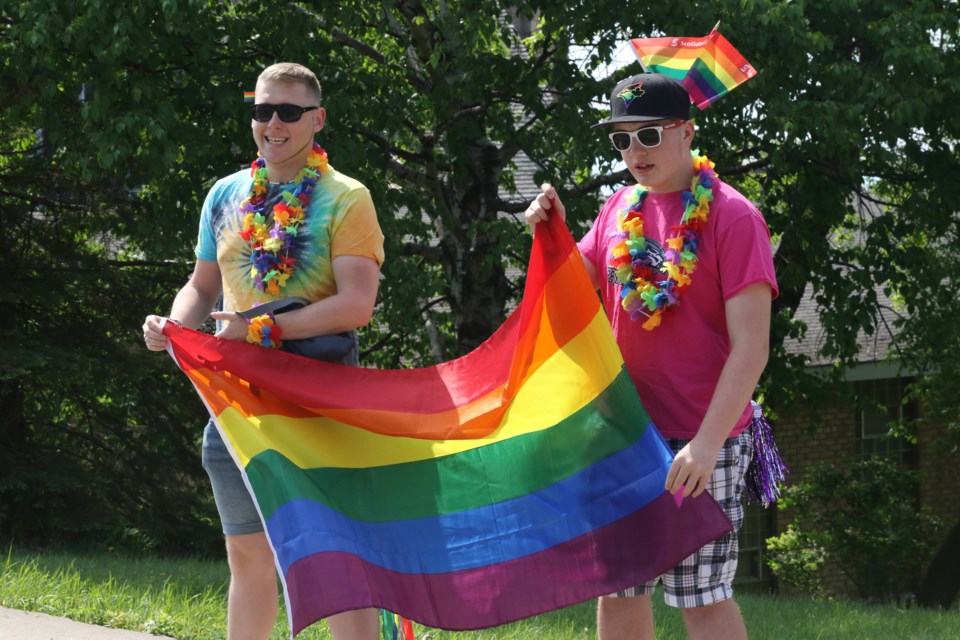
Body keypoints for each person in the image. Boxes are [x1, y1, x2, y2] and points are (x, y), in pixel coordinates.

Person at [524, 73, 778, 640]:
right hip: (623, 433)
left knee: (702, 596)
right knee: (618, 590)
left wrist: (707, 446)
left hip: (702, 436)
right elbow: (572, 287)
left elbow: (752, 346)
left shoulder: (734, 217)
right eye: (622, 139)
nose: (635, 151)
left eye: (650, 135)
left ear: (687, 131)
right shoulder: (618, 207)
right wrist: (551, 232)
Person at [142, 62, 383, 640]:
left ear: (316, 119)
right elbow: (202, 286)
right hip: (235, 406)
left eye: (289, 111)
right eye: (262, 110)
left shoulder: (346, 197)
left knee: (338, 559)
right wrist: (174, 327)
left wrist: (259, 331)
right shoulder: (225, 194)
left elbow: (356, 304)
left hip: (319, 402)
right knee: (248, 560)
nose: (273, 123)